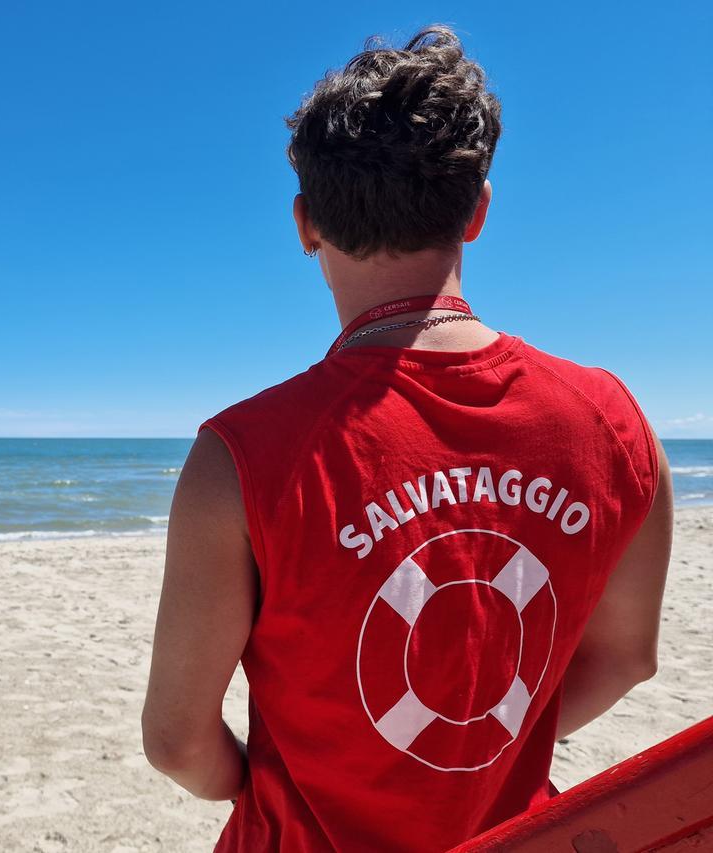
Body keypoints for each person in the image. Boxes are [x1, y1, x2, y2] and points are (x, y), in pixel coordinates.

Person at [141, 25, 673, 852]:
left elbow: (176, 740)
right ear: (480, 210)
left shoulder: (240, 457)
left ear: (305, 223)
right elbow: (627, 657)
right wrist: (488, 736)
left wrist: (279, 779)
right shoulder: (614, 421)